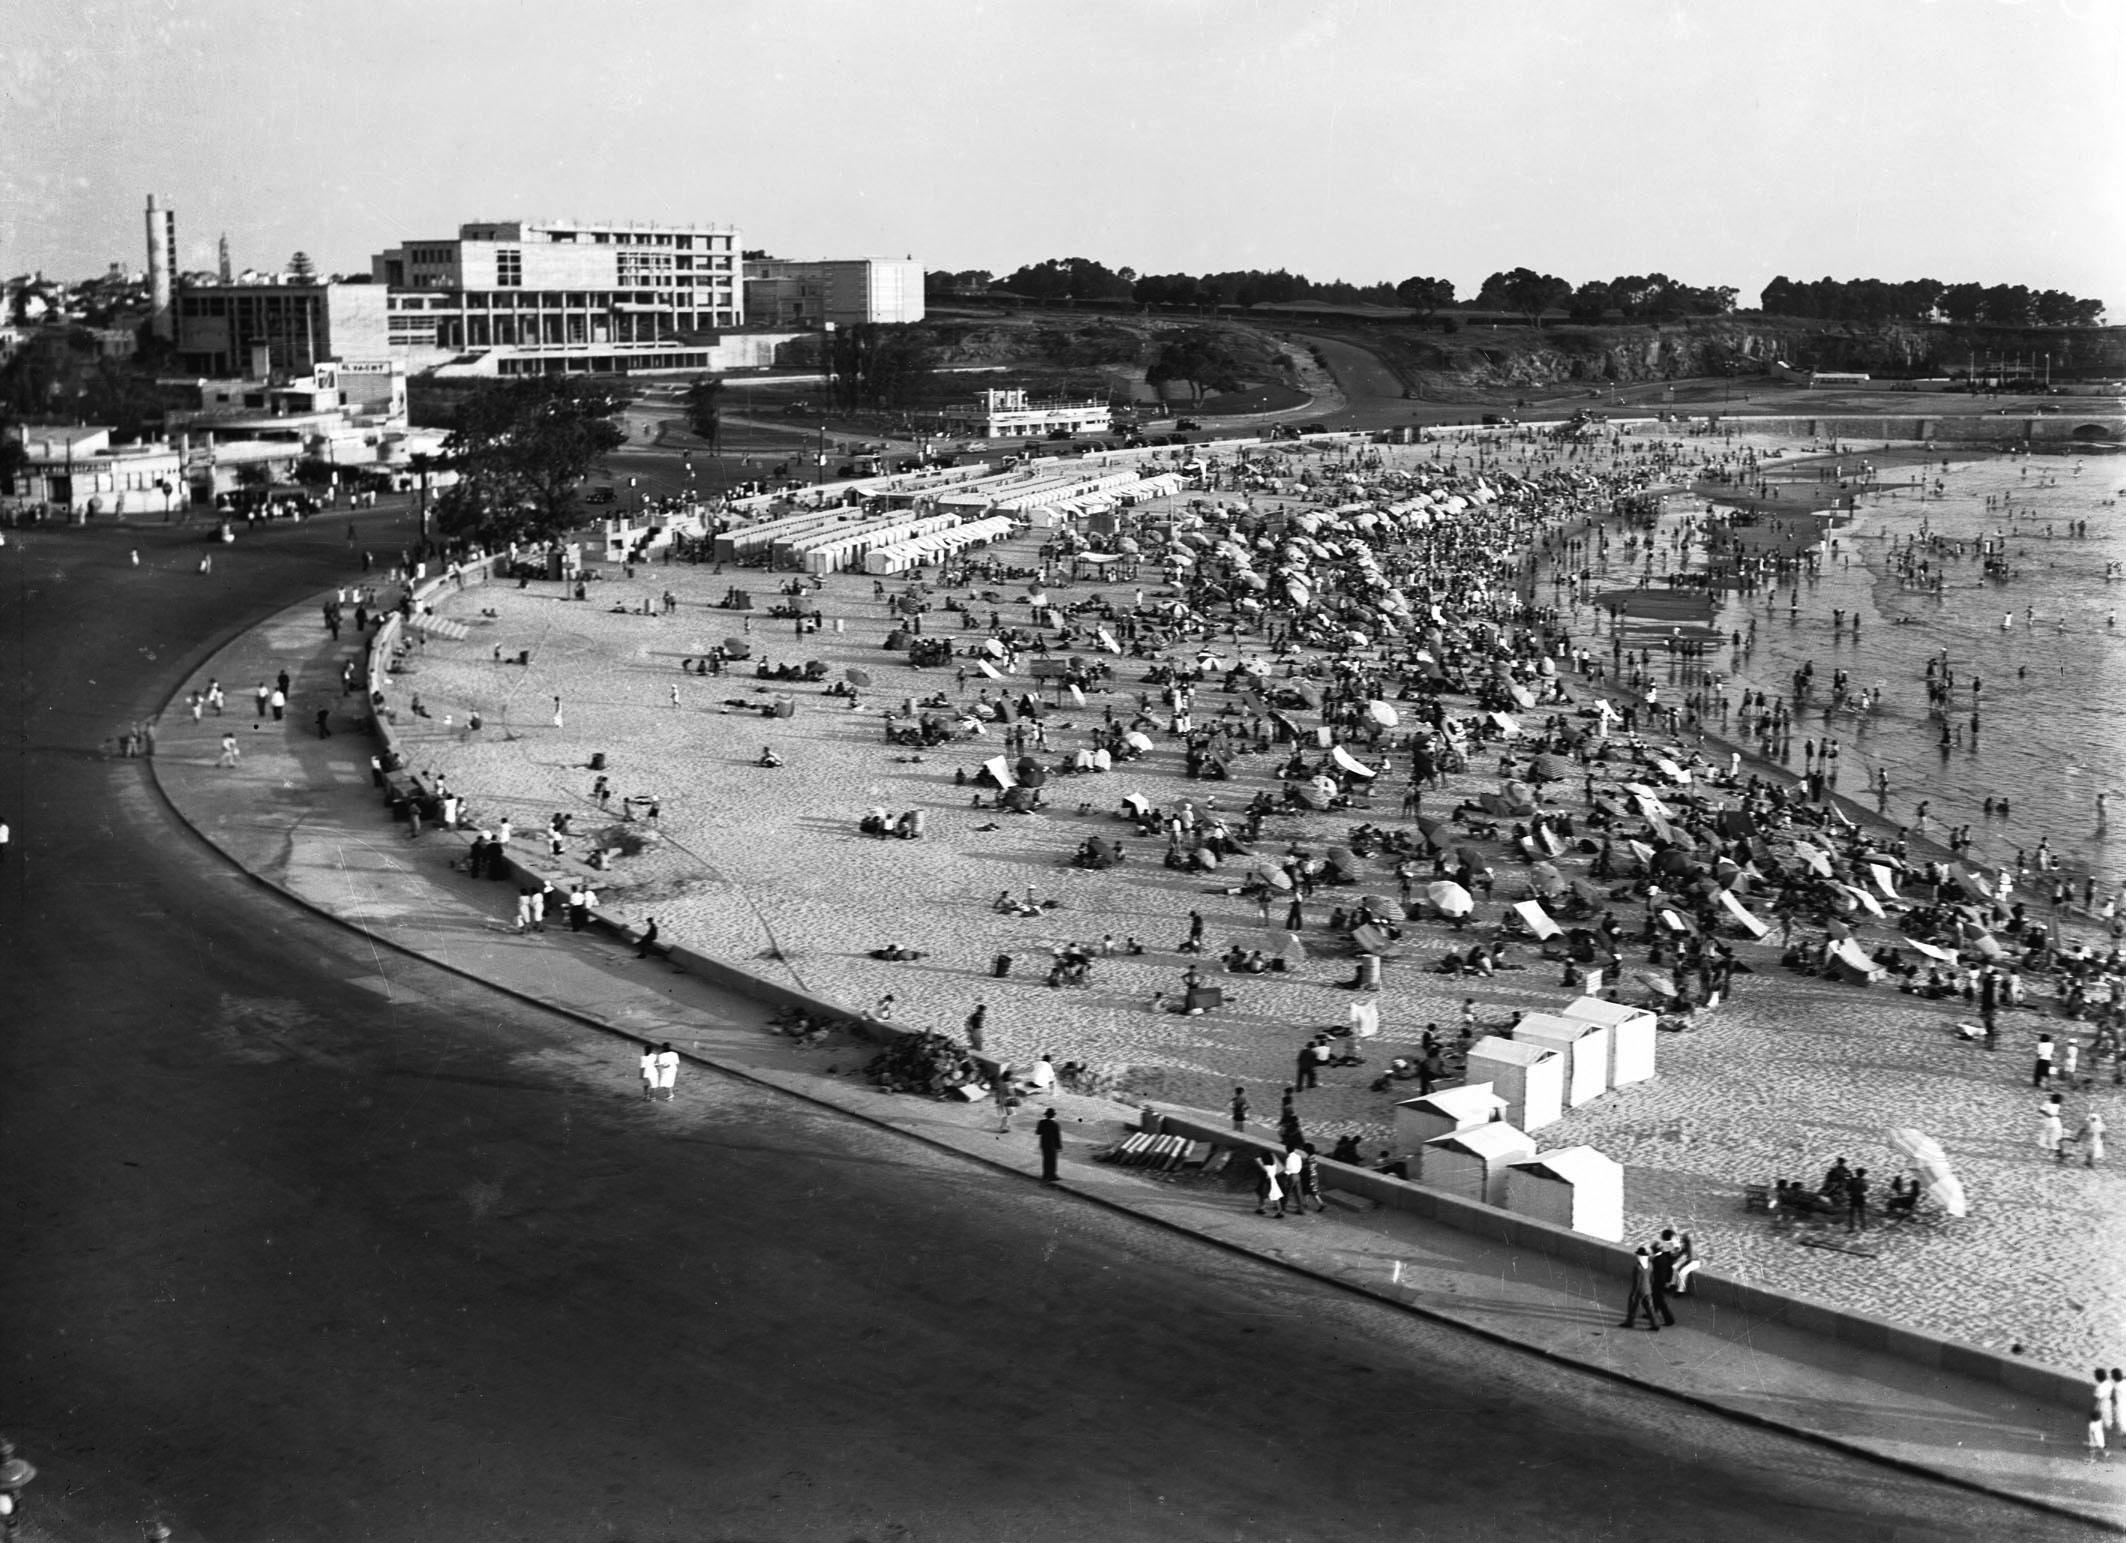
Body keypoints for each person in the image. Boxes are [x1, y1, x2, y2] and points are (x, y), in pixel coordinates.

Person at [1621, 1245, 1663, 1331]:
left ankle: (1629, 1322)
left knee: (1633, 1306)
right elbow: (1652, 1278)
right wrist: (1650, 1287)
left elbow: (1636, 1282)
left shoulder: (1638, 1268)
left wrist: (1633, 1293)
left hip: (1639, 1291)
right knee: (1650, 1308)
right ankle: (1655, 1324)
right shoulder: (1650, 1265)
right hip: (1648, 1289)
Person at [1253, 1151, 1286, 1218]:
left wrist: (1257, 1160)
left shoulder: (1266, 1167)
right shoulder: (1274, 1165)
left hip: (1268, 1182)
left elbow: (1260, 1164)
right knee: (1275, 1197)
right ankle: (1279, 1211)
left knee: (1263, 1195)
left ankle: (1263, 1208)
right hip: (1273, 1182)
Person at [1035, 1107, 1062, 1182]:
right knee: (1052, 1161)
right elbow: (1057, 1137)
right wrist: (1059, 1146)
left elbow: (1038, 1132)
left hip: (1044, 1144)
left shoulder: (1041, 1122)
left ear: (1046, 1115)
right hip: (1052, 1145)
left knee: (1046, 1160)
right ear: (1053, 1115)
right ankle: (1052, 1175)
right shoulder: (1055, 1124)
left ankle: (1045, 1175)